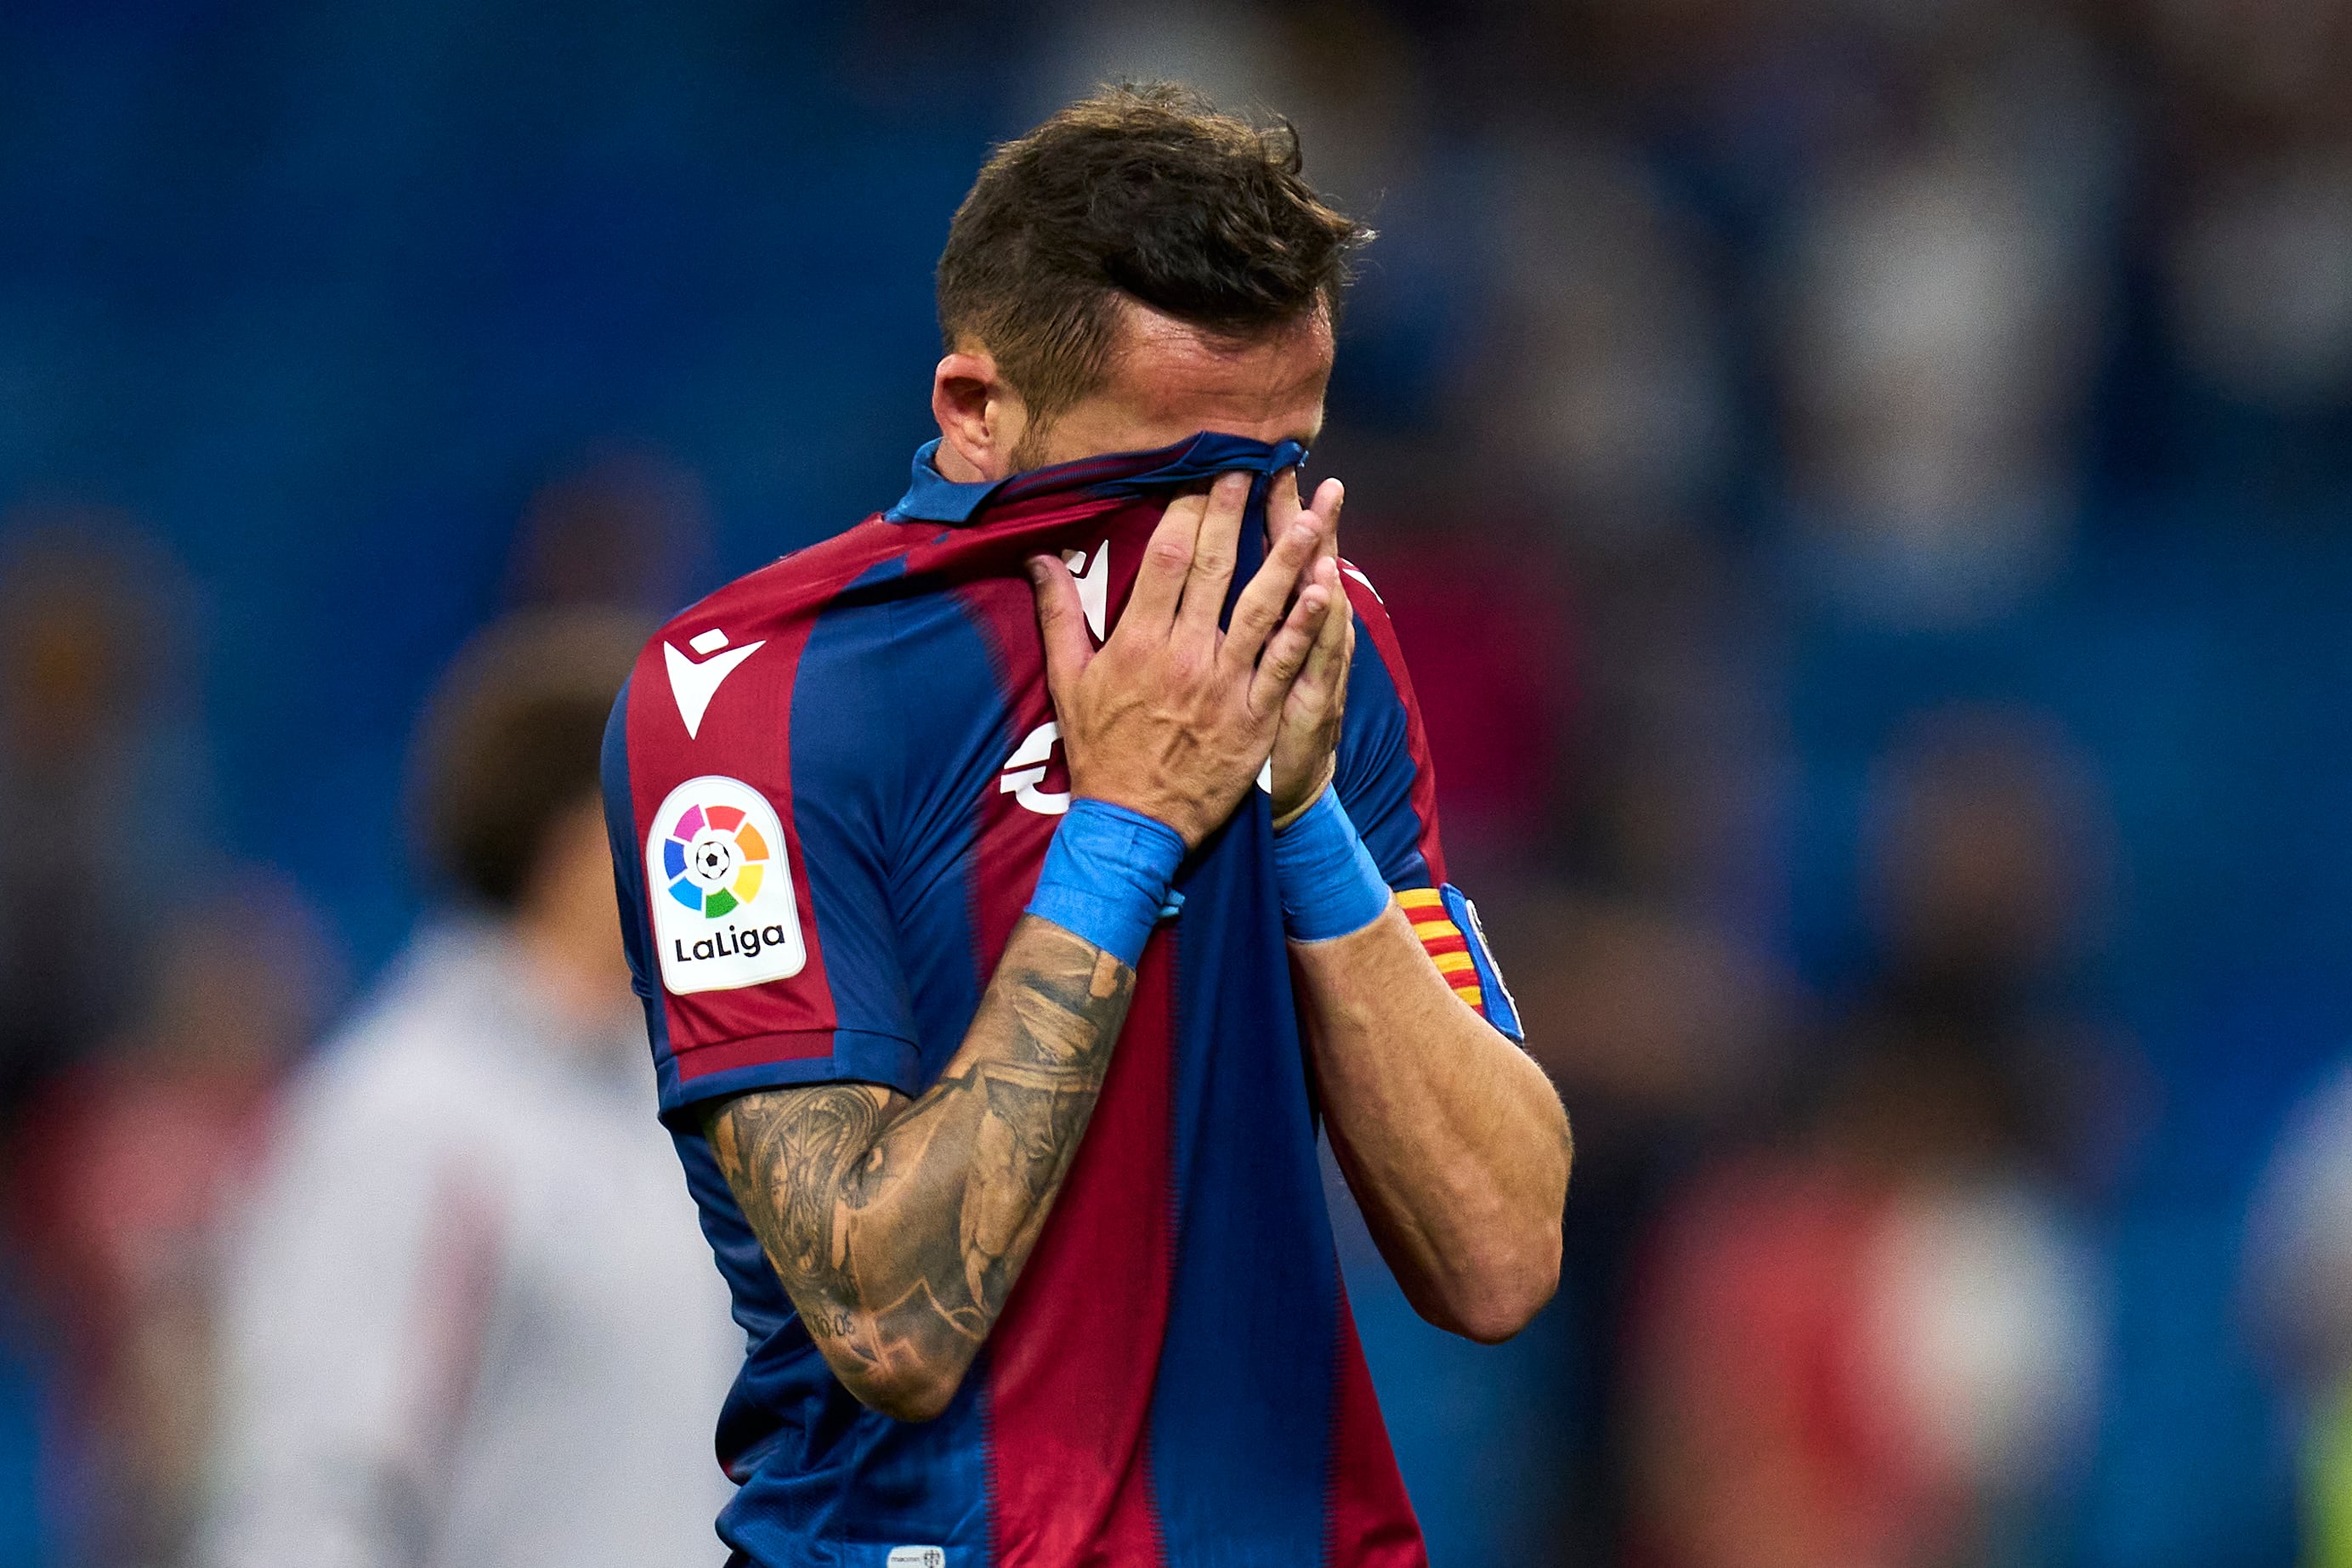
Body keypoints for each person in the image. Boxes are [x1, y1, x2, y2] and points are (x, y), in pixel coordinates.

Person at [603, 84, 1571, 1566]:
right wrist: (1125, 823)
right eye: (1176, 476)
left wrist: (1302, 814)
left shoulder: (1324, 639)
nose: (1238, 536)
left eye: (1282, 463)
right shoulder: (744, 706)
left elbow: (1499, 1256)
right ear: (976, 412)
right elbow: (887, 1320)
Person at [201, 610, 739, 1568]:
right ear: (584, 842)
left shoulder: (672, 1119)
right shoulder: (406, 1115)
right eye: (686, 812)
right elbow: (312, 1491)